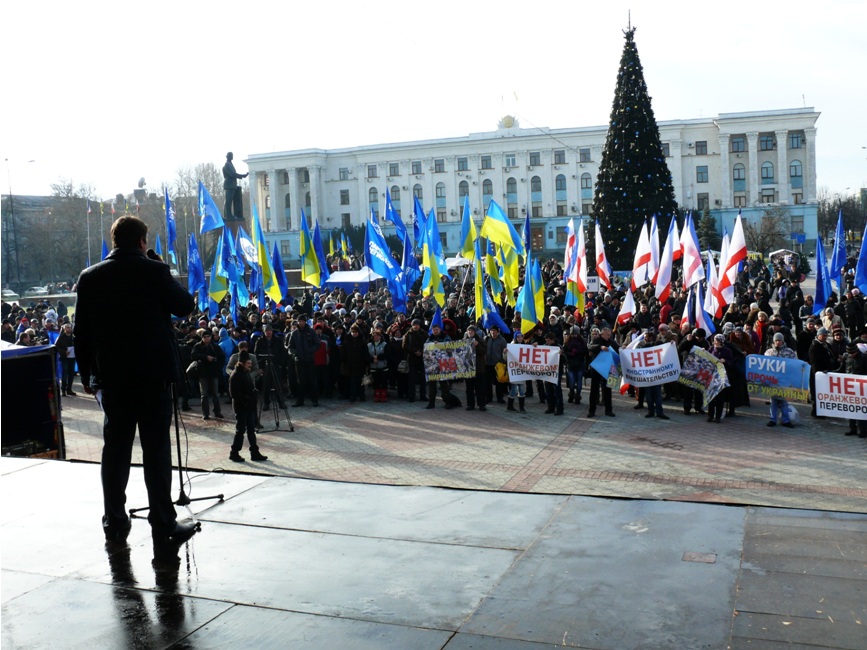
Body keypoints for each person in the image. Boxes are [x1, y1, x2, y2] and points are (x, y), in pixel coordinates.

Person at [74, 215, 198, 551]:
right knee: (156, 452)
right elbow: (185, 305)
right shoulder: (153, 271)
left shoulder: (90, 277)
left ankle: (114, 523)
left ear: (114, 240)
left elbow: (81, 332)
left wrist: (85, 375)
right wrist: (160, 267)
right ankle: (163, 521)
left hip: (113, 379)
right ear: (143, 241)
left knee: (114, 453)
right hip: (153, 377)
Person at [228, 351, 268, 462]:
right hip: (241, 407)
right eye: (248, 363)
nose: (250, 365)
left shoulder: (245, 372)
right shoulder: (236, 375)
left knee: (251, 430)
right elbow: (234, 394)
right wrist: (247, 398)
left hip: (249, 407)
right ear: (241, 363)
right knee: (240, 431)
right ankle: (234, 453)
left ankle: (254, 452)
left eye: (250, 363)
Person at [191, 329, 225, 420]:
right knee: (204, 395)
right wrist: (205, 357)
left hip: (213, 373)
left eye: (208, 337)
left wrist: (217, 366)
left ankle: (217, 411)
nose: (206, 338)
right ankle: (205, 413)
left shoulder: (215, 346)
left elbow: (222, 358)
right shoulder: (198, 346)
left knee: (215, 394)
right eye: (205, 337)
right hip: (203, 373)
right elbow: (193, 355)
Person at [765, 332, 796, 428]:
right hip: (773, 380)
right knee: (773, 400)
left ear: (783, 341)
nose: (778, 342)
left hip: (784, 380)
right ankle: (772, 419)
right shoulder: (769, 352)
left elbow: (795, 364)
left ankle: (785, 420)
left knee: (784, 401)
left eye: (780, 340)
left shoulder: (789, 352)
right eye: (776, 340)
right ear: (773, 341)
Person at [287, 316, 320, 407]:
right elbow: (290, 347)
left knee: (312, 380)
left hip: (309, 360)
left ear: (305, 322)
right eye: (299, 321)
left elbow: (317, 343)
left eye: (302, 321)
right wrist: (295, 354)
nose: (301, 323)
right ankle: (300, 401)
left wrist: (310, 351)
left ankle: (314, 400)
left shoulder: (311, 331)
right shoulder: (294, 333)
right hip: (299, 361)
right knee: (300, 381)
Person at [587, 326, 618, 417]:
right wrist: (600, 347)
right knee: (594, 389)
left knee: (608, 389)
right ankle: (591, 411)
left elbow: (618, 348)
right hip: (597, 368)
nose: (609, 336)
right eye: (607, 335)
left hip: (608, 368)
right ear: (602, 334)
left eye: (610, 335)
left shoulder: (611, 342)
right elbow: (590, 346)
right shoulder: (596, 340)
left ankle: (609, 410)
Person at [841, 342, 867, 438]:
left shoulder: (864, 358)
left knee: (861, 409)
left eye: (853, 353)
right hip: (849, 387)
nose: (851, 355)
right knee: (851, 408)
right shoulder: (846, 357)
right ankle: (853, 428)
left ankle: (863, 430)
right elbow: (841, 369)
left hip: (861, 387)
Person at [463, 324, 487, 411]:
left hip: (478, 368)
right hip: (468, 368)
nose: (470, 332)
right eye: (469, 331)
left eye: (472, 331)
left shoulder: (479, 340)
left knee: (480, 388)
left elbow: (484, 351)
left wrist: (478, 346)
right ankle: (470, 404)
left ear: (475, 332)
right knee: (469, 388)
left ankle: (481, 404)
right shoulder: (463, 341)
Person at [222, 151, 248, 221]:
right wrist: (242, 176)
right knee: (228, 200)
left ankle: (229, 214)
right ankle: (228, 214)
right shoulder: (227, 164)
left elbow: (234, 173)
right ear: (227, 156)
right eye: (230, 155)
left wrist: (242, 176)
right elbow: (232, 174)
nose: (231, 157)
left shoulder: (230, 164)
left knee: (230, 200)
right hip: (229, 185)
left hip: (232, 185)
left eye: (232, 156)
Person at [55, 322, 77, 396]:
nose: (69, 329)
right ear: (64, 329)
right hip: (65, 358)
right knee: (65, 374)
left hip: (72, 358)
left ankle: (69, 389)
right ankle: (63, 389)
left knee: (71, 374)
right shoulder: (61, 337)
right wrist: (64, 352)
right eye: (67, 327)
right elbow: (56, 347)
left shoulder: (73, 337)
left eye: (70, 327)